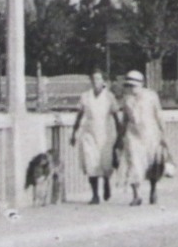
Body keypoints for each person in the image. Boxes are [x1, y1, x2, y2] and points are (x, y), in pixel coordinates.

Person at [114, 71, 167, 206]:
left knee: (152, 165)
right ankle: (136, 195)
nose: (132, 88)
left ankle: (153, 189)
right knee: (133, 164)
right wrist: (120, 137)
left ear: (141, 84)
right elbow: (125, 119)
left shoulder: (151, 96)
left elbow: (158, 115)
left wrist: (163, 134)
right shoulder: (127, 100)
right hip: (133, 135)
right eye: (129, 86)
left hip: (150, 134)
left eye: (134, 85)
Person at [69, 70, 117, 205]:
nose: (96, 82)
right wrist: (74, 132)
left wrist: (119, 136)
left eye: (98, 79)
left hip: (105, 134)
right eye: (93, 79)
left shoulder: (109, 97)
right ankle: (95, 195)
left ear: (103, 81)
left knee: (105, 163)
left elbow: (116, 116)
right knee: (90, 163)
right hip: (89, 133)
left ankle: (106, 182)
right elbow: (79, 115)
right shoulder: (85, 96)